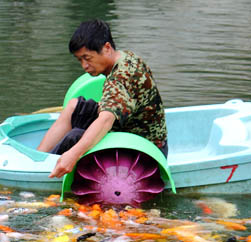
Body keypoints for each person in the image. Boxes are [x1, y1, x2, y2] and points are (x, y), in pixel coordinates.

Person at [37, 19, 167, 179]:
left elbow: (106, 119)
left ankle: (43, 173)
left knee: (75, 137)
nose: (84, 66)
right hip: (127, 127)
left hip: (144, 148)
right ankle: (37, 159)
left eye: (87, 58)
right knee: (75, 106)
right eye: (80, 60)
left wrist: (73, 155)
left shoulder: (121, 77)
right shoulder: (126, 56)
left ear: (106, 48)